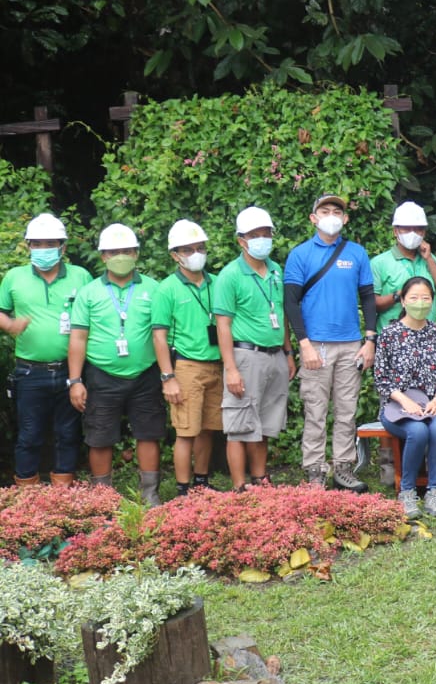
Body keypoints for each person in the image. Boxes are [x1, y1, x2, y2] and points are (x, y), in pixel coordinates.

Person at [283, 193, 374, 493]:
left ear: (346, 218)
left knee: (347, 411)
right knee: (316, 411)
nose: (332, 215)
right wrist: (304, 343)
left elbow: (368, 298)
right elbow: (291, 302)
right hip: (316, 344)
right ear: (313, 218)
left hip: (351, 343)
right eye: (325, 210)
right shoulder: (300, 254)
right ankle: (315, 472)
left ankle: (343, 469)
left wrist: (369, 339)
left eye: (338, 211)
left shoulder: (357, 253)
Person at [66, 224, 163, 500]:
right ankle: (102, 497)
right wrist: (75, 381)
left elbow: (162, 334)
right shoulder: (89, 292)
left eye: (126, 251)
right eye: (114, 251)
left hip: (145, 374)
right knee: (99, 436)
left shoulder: (154, 289)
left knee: (148, 433)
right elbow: (78, 338)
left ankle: (150, 494)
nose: (121, 256)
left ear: (136, 253)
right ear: (103, 256)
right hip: (101, 375)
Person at [0, 213, 92, 487]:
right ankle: (26, 498)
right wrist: (10, 325)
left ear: (63, 247)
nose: (43, 249)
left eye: (50, 243)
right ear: (28, 246)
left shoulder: (81, 276)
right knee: (30, 433)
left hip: (70, 369)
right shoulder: (14, 277)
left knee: (68, 433)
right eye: (37, 244)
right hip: (29, 371)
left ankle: (61, 495)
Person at [212, 207, 294, 490]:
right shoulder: (229, 275)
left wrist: (288, 351)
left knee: (265, 423)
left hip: (275, 355)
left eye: (266, 233)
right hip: (246, 356)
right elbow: (223, 325)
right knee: (239, 425)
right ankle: (239, 486)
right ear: (241, 240)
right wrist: (230, 368)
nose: (262, 239)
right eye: (255, 235)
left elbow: (281, 313)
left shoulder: (275, 270)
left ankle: (260, 478)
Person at [151, 220, 222, 497]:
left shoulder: (217, 283)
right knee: (186, 431)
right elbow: (159, 336)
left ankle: (201, 484)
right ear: (174, 255)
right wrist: (168, 377)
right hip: (186, 366)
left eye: (200, 248)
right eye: (188, 249)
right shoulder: (166, 289)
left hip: (216, 365)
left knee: (208, 429)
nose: (196, 254)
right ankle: (183, 491)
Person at [375, 276, 436, 519]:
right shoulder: (389, 333)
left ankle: (435, 491)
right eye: (414, 298)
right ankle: (407, 492)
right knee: (418, 431)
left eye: (425, 298)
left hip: (434, 401)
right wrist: (404, 401)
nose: (420, 303)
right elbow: (381, 378)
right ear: (403, 300)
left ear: (432, 302)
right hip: (398, 405)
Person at [372, 201, 436, 329]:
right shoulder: (379, 262)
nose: (412, 233)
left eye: (418, 229)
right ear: (395, 231)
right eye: (406, 228)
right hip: (392, 338)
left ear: (424, 232)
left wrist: (429, 259)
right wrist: (402, 294)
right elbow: (373, 305)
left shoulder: (429, 259)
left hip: (428, 337)